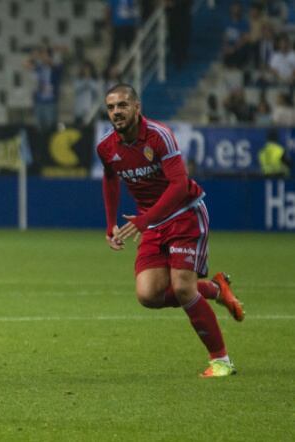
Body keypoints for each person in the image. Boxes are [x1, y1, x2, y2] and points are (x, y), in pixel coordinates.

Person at [96, 83, 245, 378]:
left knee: (181, 287)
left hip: (185, 214)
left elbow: (178, 186)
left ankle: (221, 360)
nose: (116, 112)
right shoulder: (106, 147)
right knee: (148, 295)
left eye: (122, 105)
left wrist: (143, 219)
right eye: (111, 107)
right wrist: (110, 222)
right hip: (152, 222)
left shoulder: (159, 136)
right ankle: (216, 289)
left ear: (137, 108)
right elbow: (110, 178)